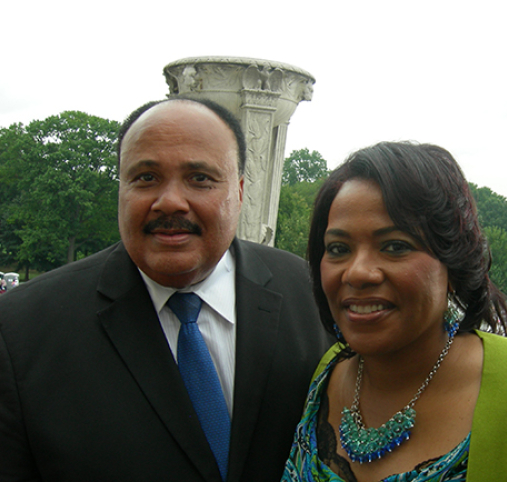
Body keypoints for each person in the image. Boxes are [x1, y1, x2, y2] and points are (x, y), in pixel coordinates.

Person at [0, 98, 332, 482]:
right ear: (121, 189)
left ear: (240, 192)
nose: (170, 201)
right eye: (146, 178)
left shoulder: (313, 296)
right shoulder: (21, 330)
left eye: (200, 178)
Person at [282, 142, 507, 481]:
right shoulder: (323, 374)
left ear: (453, 262)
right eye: (338, 248)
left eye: (395, 246)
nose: (358, 273)